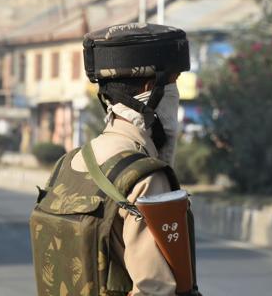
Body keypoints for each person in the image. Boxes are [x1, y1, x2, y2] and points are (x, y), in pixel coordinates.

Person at [30, 23, 201, 296]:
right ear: (150, 87)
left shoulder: (68, 164)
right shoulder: (144, 177)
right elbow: (155, 290)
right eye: (174, 81)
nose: (175, 93)